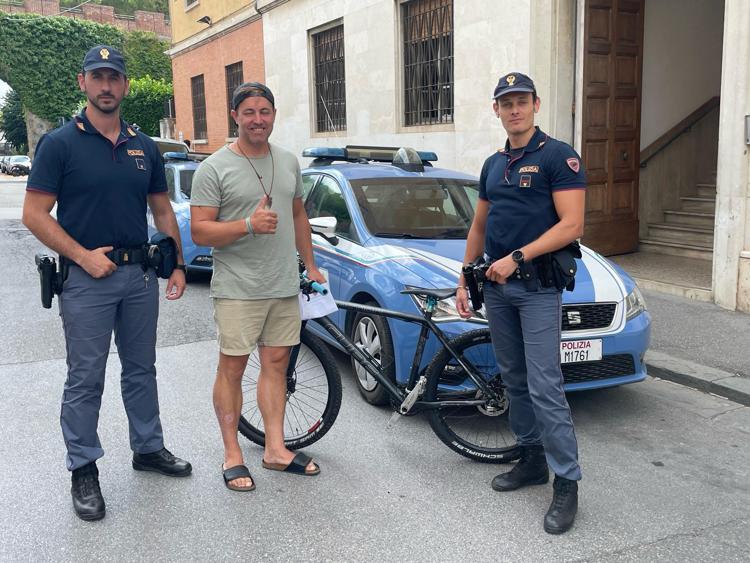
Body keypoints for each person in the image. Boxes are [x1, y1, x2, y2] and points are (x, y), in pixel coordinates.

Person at [22, 45, 192, 521]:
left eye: (113, 77)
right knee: (85, 378)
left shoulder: (144, 145)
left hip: (138, 277)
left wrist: (175, 263)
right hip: (86, 279)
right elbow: (34, 214)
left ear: (125, 85)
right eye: (97, 77)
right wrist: (80, 256)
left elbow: (161, 209)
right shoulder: (59, 144)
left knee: (142, 370)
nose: (106, 85)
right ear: (83, 83)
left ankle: (148, 448)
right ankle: (83, 468)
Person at [456, 72, 586, 534]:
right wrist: (463, 276)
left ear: (536, 104)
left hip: (535, 288)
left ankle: (566, 482)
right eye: (505, 102)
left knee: (545, 384)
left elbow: (572, 225)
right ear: (496, 109)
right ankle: (532, 459)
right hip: (496, 287)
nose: (514, 109)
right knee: (513, 379)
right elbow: (479, 225)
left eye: (521, 101)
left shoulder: (557, 156)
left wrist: (517, 257)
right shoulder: (494, 164)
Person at [190, 82, 325, 492]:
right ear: (235, 116)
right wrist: (247, 224)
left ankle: (275, 449)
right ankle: (233, 454)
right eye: (248, 112)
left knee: (276, 366)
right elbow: (200, 231)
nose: (257, 119)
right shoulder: (213, 168)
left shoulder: (287, 162)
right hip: (237, 288)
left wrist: (312, 265)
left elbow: (298, 214)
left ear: (273, 114)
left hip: (282, 284)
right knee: (232, 369)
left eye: (264, 111)